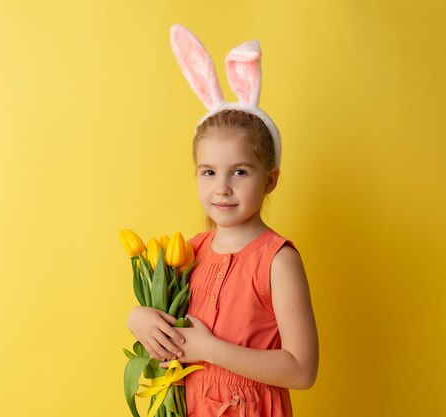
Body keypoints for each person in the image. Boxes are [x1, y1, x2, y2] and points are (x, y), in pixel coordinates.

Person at [126, 25, 318, 417]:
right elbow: (169, 336)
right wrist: (139, 319)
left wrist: (207, 349)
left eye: (240, 172)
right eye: (209, 172)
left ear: (270, 179)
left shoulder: (278, 261)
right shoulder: (189, 253)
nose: (223, 188)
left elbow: (302, 370)